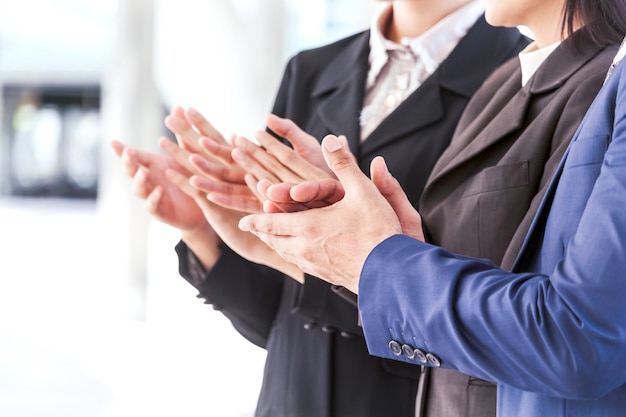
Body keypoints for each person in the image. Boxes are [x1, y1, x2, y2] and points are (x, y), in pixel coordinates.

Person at [203, 0, 625, 415]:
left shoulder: (595, 82)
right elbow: (461, 264)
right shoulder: (503, 84)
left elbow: (575, 329)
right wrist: (359, 239)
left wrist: (371, 258)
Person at [113, 1, 527, 416]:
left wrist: (354, 255)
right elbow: (279, 318)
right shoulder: (311, 69)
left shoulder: (524, 74)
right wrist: (203, 227)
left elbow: (492, 324)